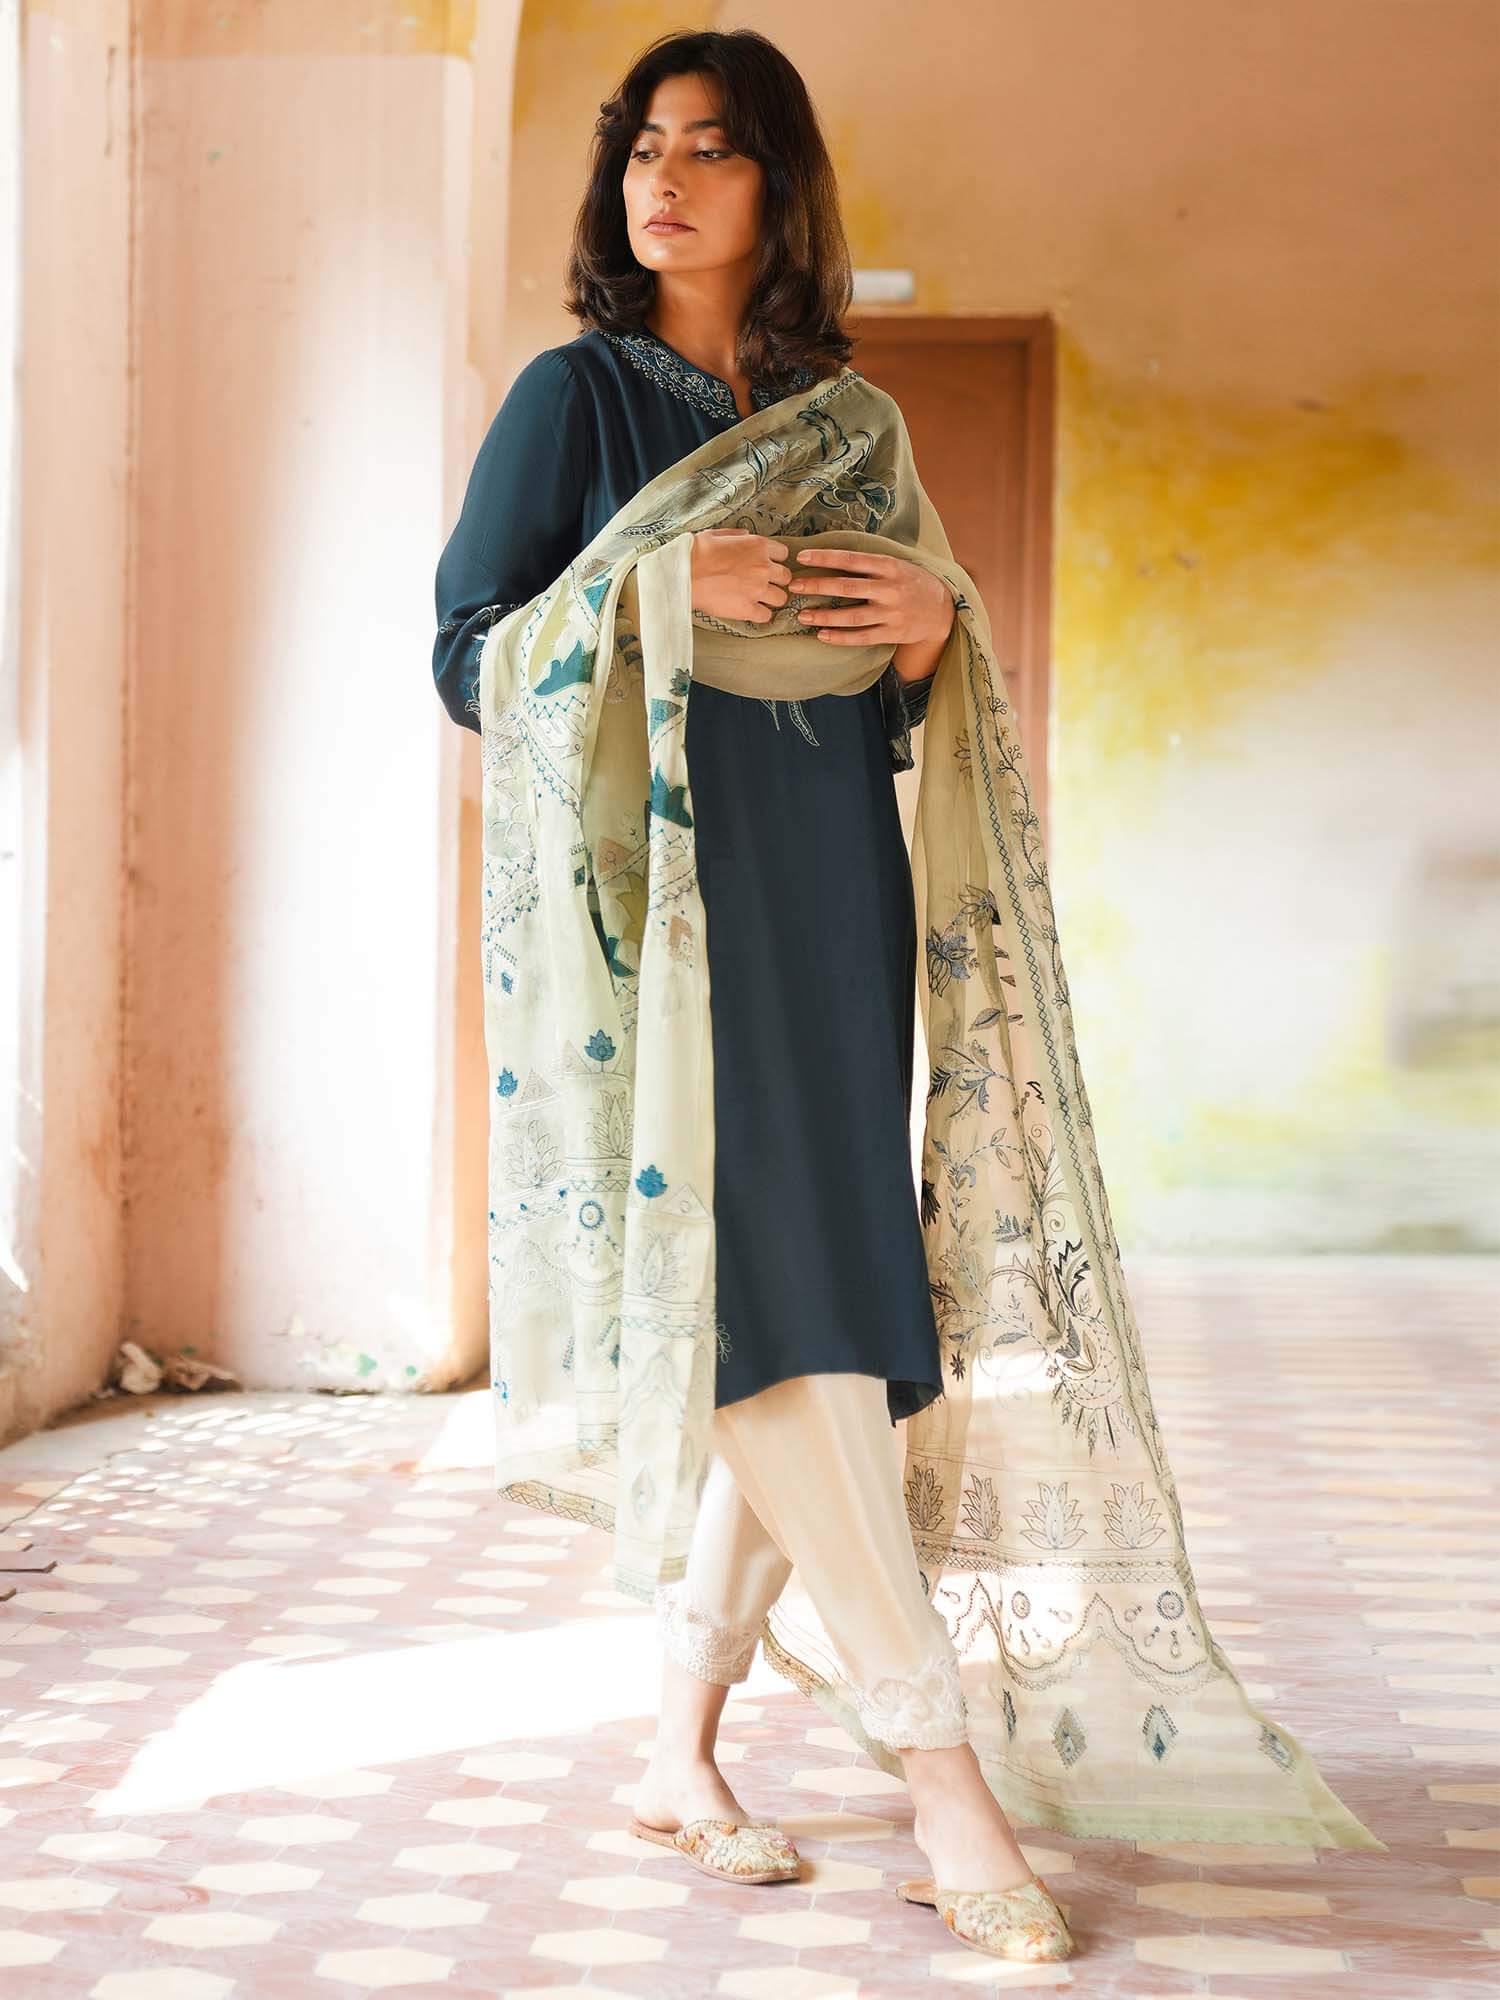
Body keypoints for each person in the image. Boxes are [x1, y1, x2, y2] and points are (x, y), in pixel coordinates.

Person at [433, 26, 1074, 1969]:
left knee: (833, 1306)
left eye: (711, 148)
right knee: (773, 1308)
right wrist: (648, 594)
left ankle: (676, 1751)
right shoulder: (572, 400)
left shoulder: (847, 421)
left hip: (835, 896)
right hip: (670, 920)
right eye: (644, 145)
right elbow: (466, 657)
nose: (665, 177)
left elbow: (896, 671)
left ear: (780, 186)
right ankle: (940, 1769)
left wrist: (935, 623)